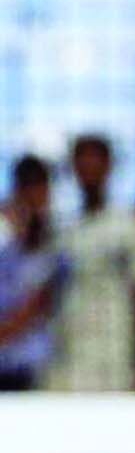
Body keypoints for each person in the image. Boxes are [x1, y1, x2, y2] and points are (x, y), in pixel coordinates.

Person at [48, 134, 135, 391]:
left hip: (114, 360)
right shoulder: (63, 232)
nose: (88, 168)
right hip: (68, 359)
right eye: (82, 161)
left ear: (109, 165)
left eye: (95, 160)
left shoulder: (131, 227)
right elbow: (44, 297)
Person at [0, 155, 58, 390]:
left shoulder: (58, 245)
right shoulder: (6, 242)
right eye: (26, 187)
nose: (33, 198)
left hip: (35, 369)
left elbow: (39, 304)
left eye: (39, 188)